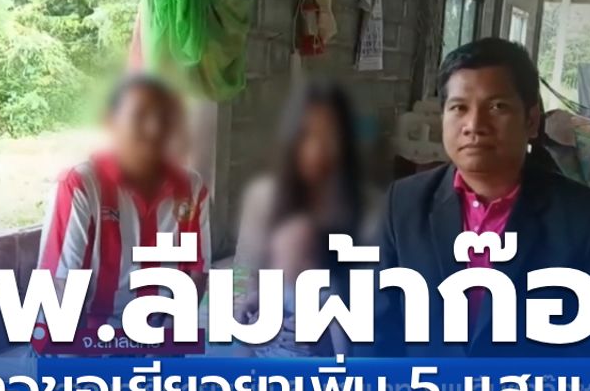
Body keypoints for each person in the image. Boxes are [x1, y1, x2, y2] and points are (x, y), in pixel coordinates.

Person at [375, 37, 590, 357]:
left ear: (531, 120)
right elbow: (377, 329)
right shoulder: (403, 203)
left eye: (497, 107)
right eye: (459, 107)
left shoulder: (589, 219)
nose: (474, 125)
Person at [32, 74, 210, 351]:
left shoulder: (192, 188)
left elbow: (197, 274)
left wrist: (167, 343)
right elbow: (59, 288)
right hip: (83, 336)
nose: (154, 129)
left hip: (155, 333)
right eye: (140, 116)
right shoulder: (80, 185)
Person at [233, 80, 372, 320]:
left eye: (329, 136)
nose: (317, 149)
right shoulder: (263, 199)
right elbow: (250, 276)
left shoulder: (367, 206)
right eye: (307, 135)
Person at [239, 214, 347, 357]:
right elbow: (255, 300)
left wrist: (336, 356)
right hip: (267, 354)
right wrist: (246, 310)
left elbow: (342, 345)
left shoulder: (328, 290)